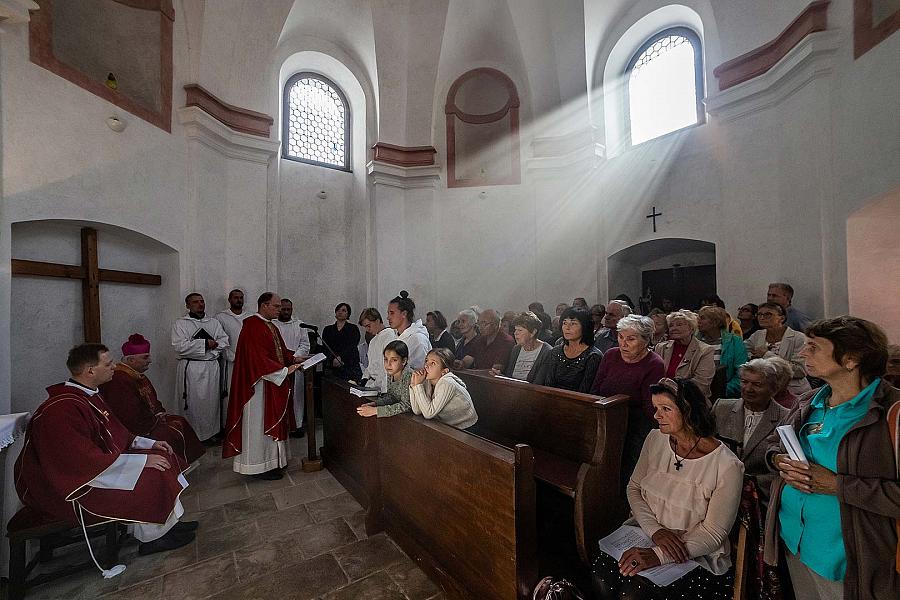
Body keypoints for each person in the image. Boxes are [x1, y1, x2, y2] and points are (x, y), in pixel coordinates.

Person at [764, 316, 900, 600]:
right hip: (796, 542)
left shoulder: (890, 413)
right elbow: (774, 445)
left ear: (851, 359)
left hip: (851, 560)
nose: (803, 353)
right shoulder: (810, 401)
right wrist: (779, 461)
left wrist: (838, 485)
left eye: (814, 347)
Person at [15, 344, 195, 557]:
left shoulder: (90, 395)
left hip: (98, 467)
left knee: (162, 455)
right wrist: (141, 462)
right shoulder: (61, 409)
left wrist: (149, 444)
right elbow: (81, 460)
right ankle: (154, 538)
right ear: (90, 370)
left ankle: (168, 522)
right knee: (151, 473)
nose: (115, 367)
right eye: (108, 364)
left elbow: (117, 433)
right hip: (77, 484)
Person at [591, 378, 744, 600]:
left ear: (689, 411)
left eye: (665, 409)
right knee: (601, 576)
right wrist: (656, 531)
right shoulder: (655, 439)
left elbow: (714, 533)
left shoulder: (727, 466)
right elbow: (633, 488)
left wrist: (658, 555)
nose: (656, 416)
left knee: (635, 595)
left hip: (695, 551)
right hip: (646, 533)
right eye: (655, 408)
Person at [223, 292, 302, 481]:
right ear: (264, 306)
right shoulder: (253, 326)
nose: (279, 310)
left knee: (270, 420)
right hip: (257, 387)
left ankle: (274, 462)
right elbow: (257, 359)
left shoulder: (270, 326)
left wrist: (293, 358)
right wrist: (284, 371)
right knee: (258, 425)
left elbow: (278, 351)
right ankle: (259, 466)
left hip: (270, 382)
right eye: (276, 306)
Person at [100, 334, 205, 467]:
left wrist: (160, 412)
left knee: (179, 421)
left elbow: (153, 400)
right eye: (145, 357)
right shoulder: (119, 380)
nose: (150, 360)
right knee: (168, 433)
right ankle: (174, 467)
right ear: (131, 359)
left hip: (149, 420)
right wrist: (155, 420)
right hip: (136, 429)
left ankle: (185, 463)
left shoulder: (138, 376)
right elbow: (127, 414)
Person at [589, 315, 666, 482]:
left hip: (635, 422)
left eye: (630, 339)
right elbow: (595, 389)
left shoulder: (654, 364)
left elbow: (649, 406)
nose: (623, 344)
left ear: (646, 340)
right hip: (605, 415)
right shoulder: (610, 355)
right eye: (621, 337)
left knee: (628, 461)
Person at [712, 358, 790, 507]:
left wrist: (746, 484)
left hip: (759, 500)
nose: (748, 388)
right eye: (744, 382)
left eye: (757, 384)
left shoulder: (786, 418)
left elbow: (781, 470)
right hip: (715, 490)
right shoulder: (721, 407)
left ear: (773, 389)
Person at [172, 292, 229, 443]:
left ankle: (211, 434)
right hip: (191, 368)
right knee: (192, 403)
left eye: (202, 301)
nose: (200, 304)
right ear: (188, 305)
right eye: (195, 302)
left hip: (211, 367)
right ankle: (192, 437)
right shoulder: (181, 323)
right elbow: (180, 347)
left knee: (211, 403)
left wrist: (211, 352)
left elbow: (224, 341)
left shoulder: (213, 322)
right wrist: (205, 344)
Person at [745, 302, 810, 396]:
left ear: (782, 318)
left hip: (793, 391)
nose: (762, 318)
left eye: (768, 314)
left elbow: (800, 371)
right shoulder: (757, 335)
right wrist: (752, 357)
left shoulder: (798, 338)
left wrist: (767, 355)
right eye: (759, 314)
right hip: (763, 390)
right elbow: (744, 351)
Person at [534, 307, 602, 393]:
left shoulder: (593, 356)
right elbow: (548, 384)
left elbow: (585, 391)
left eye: (573, 324)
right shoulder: (555, 351)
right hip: (552, 400)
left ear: (585, 327)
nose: (567, 328)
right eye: (564, 323)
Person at [654, 310, 716, 401]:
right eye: (671, 325)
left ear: (691, 329)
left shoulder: (705, 351)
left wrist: (672, 393)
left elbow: (701, 384)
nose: (674, 328)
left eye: (679, 325)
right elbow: (653, 376)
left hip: (691, 401)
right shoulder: (661, 347)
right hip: (661, 398)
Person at [410, 348, 478, 429]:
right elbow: (417, 410)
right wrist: (413, 385)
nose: (426, 366)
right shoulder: (428, 380)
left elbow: (428, 413)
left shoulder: (447, 382)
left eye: (433, 363)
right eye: (426, 360)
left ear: (444, 371)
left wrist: (418, 386)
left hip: (466, 428)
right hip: (446, 425)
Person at [272, 298, 312, 437]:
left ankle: (297, 425)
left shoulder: (299, 325)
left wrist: (294, 357)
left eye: (289, 309)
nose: (286, 312)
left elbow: (305, 345)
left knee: (297, 397)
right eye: (284, 309)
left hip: (296, 365)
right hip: (277, 366)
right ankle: (281, 425)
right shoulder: (272, 324)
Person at [697, 305, 748, 398]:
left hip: (725, 394)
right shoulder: (694, 341)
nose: (698, 321)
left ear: (715, 322)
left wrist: (722, 390)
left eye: (702, 318)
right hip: (697, 395)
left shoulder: (734, 341)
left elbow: (741, 372)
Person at [214, 289, 249, 422]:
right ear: (229, 300)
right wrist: (233, 357)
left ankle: (245, 422)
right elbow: (220, 341)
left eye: (241, 298)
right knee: (230, 392)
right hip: (230, 362)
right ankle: (229, 424)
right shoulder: (220, 317)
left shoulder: (250, 317)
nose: (239, 300)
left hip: (247, 363)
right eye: (235, 298)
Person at [356, 340, 413, 418]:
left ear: (404, 361)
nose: (388, 364)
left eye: (394, 360)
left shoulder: (409, 376)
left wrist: (376, 411)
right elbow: (392, 397)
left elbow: (406, 405)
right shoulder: (391, 373)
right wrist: (376, 404)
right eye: (386, 359)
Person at [495, 311, 552, 383]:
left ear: (533, 332)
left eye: (520, 330)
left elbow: (540, 383)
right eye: (515, 329)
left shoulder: (546, 351)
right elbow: (510, 376)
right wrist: (500, 376)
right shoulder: (516, 349)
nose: (515, 333)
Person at [388, 291, 431, 369]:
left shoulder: (418, 339)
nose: (388, 317)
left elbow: (420, 370)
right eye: (388, 313)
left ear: (404, 314)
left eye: (392, 313)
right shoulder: (394, 336)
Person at [358, 307, 398, 392]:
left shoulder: (389, 336)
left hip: (381, 386)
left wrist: (374, 385)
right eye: (365, 327)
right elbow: (371, 365)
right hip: (371, 384)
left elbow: (386, 369)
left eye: (369, 326)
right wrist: (364, 378)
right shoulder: (373, 340)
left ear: (377, 320)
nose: (367, 330)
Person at [322, 302, 362, 381]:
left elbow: (352, 346)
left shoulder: (353, 328)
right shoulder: (328, 329)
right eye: (338, 310)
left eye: (344, 310)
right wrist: (333, 359)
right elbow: (325, 347)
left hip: (349, 364)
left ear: (348, 314)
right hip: (332, 365)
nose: (340, 312)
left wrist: (341, 358)